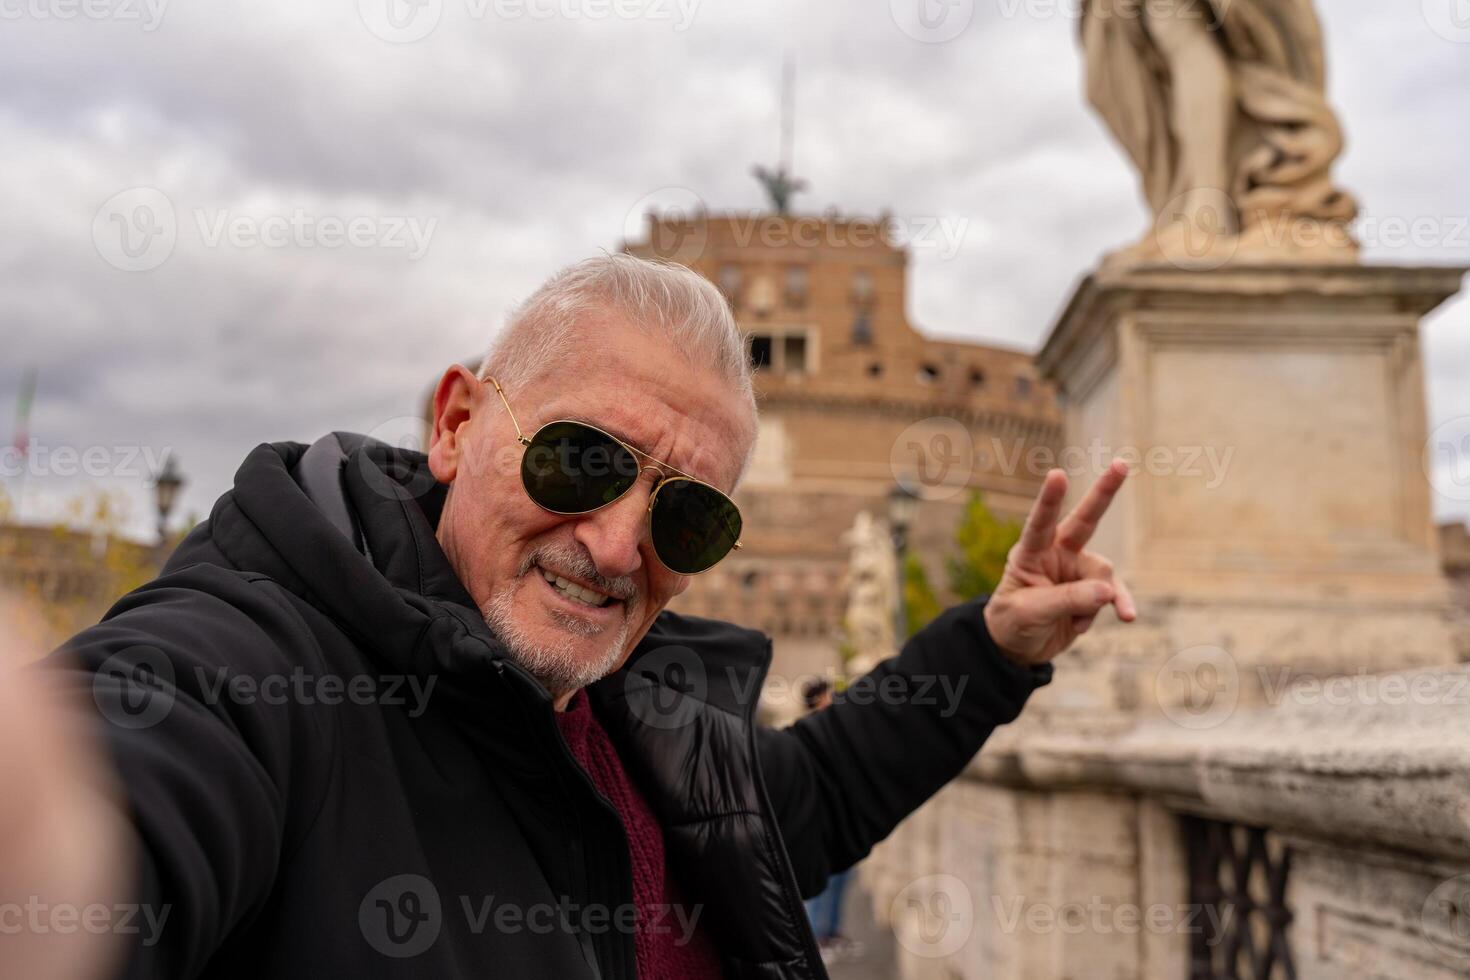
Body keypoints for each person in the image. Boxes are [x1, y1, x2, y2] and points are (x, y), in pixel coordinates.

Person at [5, 254, 1135, 979]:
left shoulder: (640, 718)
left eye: (685, 518)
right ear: (455, 422)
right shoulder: (265, 669)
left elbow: (816, 795)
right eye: (581, 458)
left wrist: (991, 649)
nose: (612, 545)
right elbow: (124, 800)